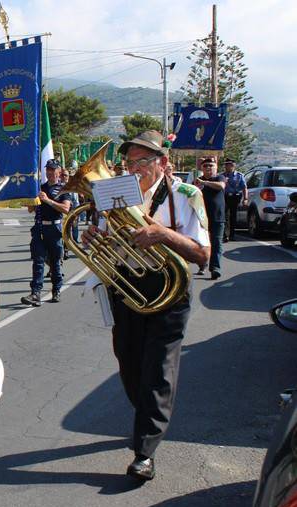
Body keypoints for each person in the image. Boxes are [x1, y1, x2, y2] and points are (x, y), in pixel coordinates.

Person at [83, 130, 210, 481]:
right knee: (129, 364)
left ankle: (145, 451)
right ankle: (149, 419)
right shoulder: (114, 194)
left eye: (142, 161)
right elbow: (103, 235)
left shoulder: (187, 195)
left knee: (158, 370)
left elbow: (202, 254)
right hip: (126, 287)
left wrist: (164, 234)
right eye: (129, 162)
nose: (134, 169)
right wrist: (93, 237)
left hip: (169, 291)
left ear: (163, 163)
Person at [21, 159, 71, 307]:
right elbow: (31, 210)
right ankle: (35, 293)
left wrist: (48, 200)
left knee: (55, 262)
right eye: (48, 169)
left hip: (54, 229)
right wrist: (31, 200)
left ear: (59, 172)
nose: (50, 172)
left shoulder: (64, 189)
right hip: (39, 228)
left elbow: (66, 209)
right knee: (38, 261)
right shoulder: (40, 188)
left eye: (53, 169)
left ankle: (56, 289)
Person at [194, 157, 226, 279]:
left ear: (216, 168)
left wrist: (204, 183)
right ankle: (202, 264)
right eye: (206, 166)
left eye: (211, 166)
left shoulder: (219, 178)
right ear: (202, 168)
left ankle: (215, 268)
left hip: (217, 216)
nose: (208, 168)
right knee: (202, 243)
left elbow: (221, 186)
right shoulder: (198, 180)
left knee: (217, 243)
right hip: (201, 217)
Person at [223, 158, 247, 241]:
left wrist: (245, 198)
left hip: (235, 197)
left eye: (230, 165)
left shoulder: (239, 176)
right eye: (226, 165)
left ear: (234, 166)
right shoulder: (222, 176)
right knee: (224, 216)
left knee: (233, 216)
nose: (228, 167)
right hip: (225, 197)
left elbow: (244, 188)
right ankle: (225, 235)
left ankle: (232, 235)